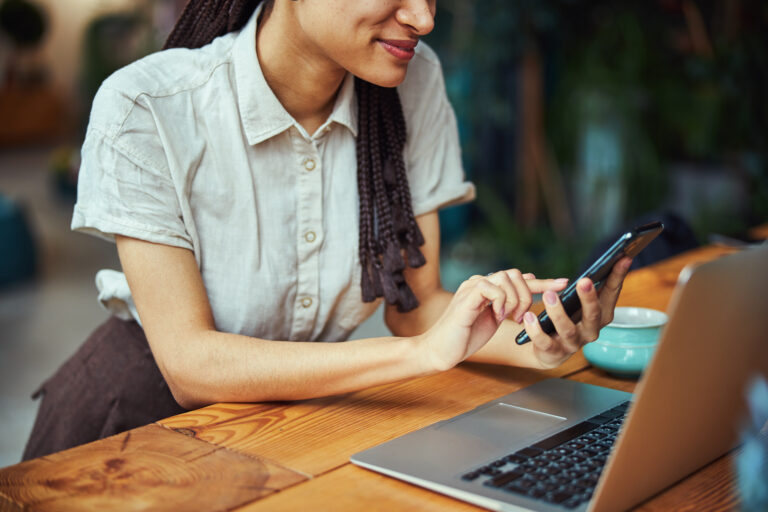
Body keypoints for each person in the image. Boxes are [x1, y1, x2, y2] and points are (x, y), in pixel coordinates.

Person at [23, 0, 631, 460]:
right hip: (127, 432)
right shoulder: (145, 106)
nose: (423, 17)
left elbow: (418, 313)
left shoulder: (412, 83)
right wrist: (419, 357)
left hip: (296, 423)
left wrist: (540, 342)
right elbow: (191, 366)